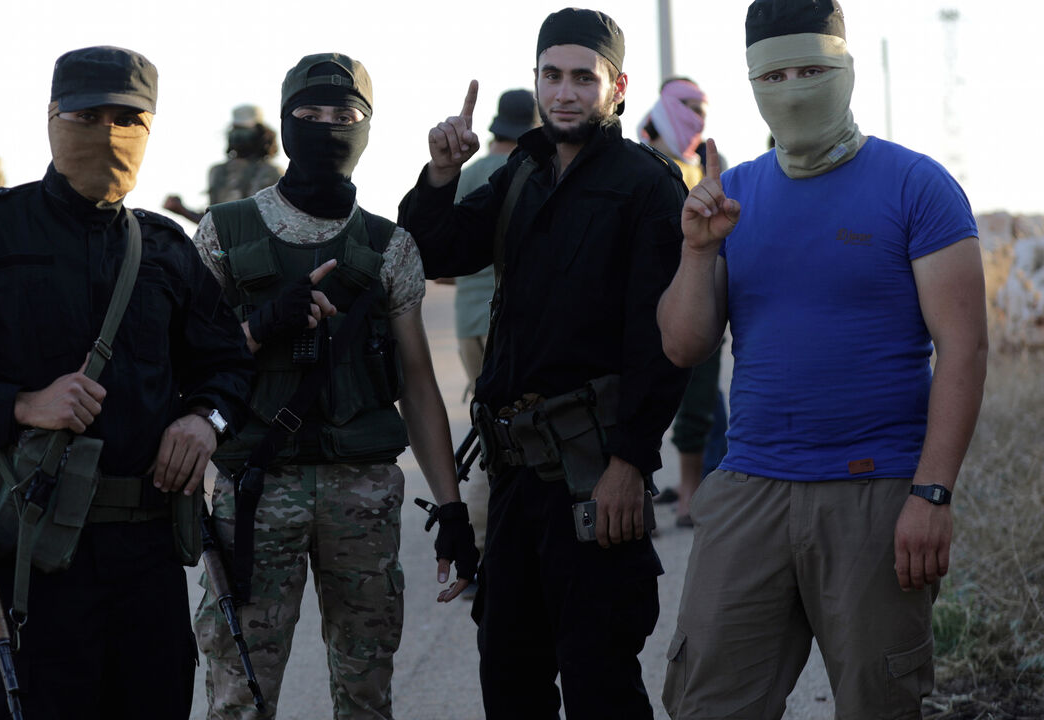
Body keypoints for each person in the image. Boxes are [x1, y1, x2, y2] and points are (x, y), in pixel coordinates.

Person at [0, 45, 255, 719]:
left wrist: (204, 421)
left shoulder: (166, 249)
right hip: (35, 561)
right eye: (88, 115)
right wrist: (20, 405)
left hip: (148, 565)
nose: (108, 132)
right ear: (52, 118)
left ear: (150, 128)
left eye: (127, 117)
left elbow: (230, 368)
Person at [657, 1, 987, 716]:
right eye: (775, 74)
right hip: (750, 488)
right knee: (707, 700)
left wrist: (933, 494)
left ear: (847, 69)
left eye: (813, 69)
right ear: (752, 84)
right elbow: (684, 344)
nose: (796, 87)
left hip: (876, 494)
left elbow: (965, 346)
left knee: (880, 701)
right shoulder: (730, 195)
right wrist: (696, 248)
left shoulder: (916, 186)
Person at [398, 9, 691, 718]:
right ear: (535, 81)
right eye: (551, 76)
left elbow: (661, 346)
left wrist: (630, 462)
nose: (565, 93)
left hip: (594, 478)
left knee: (599, 680)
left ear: (616, 87)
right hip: (515, 480)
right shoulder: (524, 172)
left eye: (582, 78)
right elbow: (436, 251)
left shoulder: (648, 187)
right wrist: (442, 174)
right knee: (509, 676)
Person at [190, 52, 478, 720]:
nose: (326, 127)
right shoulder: (223, 235)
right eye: (309, 113)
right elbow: (189, 369)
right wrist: (261, 326)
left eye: (343, 115)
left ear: (367, 126)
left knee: (366, 694)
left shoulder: (390, 247)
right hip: (256, 496)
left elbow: (419, 387)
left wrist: (453, 509)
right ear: (285, 121)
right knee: (239, 697)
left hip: (364, 496)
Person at [451, 87, 539, 561]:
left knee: (487, 428)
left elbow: (444, 259)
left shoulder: (467, 175)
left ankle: (484, 542)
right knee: (512, 437)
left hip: (468, 319)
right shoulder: (530, 171)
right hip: (511, 320)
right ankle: (489, 544)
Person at [638, 78, 716, 527]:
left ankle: (689, 500)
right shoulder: (640, 161)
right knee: (640, 404)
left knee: (697, 408)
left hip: (697, 300)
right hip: (646, 306)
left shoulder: (700, 165)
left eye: (702, 107)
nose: (697, 115)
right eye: (688, 106)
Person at [164, 104, 282, 224]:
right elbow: (216, 225)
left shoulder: (271, 172)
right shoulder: (218, 171)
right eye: (236, 129)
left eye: (245, 130)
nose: (238, 134)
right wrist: (182, 210)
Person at [638, 77, 708, 187]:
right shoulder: (636, 164)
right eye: (696, 111)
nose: (701, 124)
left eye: (703, 116)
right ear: (672, 109)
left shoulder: (700, 168)